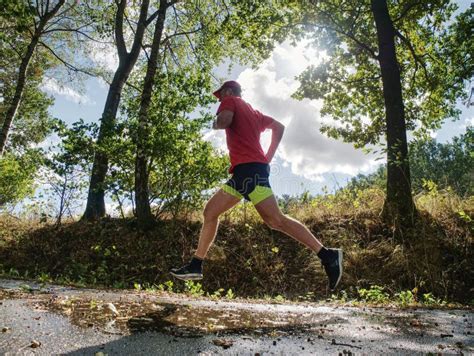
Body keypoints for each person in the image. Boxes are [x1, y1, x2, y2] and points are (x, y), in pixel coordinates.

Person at [170, 80, 343, 290]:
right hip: (250, 172)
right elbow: (279, 127)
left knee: (262, 218)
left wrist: (215, 123)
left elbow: (224, 121)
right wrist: (266, 158)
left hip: (248, 171)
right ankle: (327, 255)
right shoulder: (255, 113)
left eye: (221, 96)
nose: (220, 100)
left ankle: (327, 255)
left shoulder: (231, 100)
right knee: (262, 219)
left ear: (228, 91)